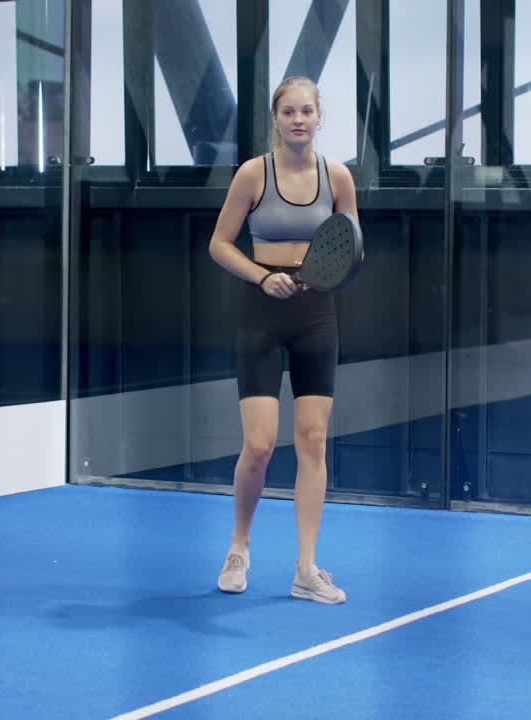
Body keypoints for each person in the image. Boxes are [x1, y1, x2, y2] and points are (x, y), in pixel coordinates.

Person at [206, 76, 359, 604]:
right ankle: (239, 546)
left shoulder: (337, 176)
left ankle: (306, 569)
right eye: (288, 111)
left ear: (320, 119)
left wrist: (324, 273)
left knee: (313, 441)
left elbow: (351, 247)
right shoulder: (254, 174)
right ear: (275, 118)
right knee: (261, 444)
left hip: (317, 314)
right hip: (261, 312)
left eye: (307, 111)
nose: (298, 119)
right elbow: (219, 243)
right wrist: (261, 276)